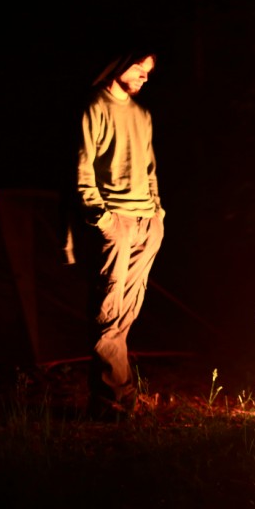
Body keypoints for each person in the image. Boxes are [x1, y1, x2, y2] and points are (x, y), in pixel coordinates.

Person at [76, 50, 165, 420]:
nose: (145, 76)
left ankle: (120, 395)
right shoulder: (94, 106)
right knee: (108, 311)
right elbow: (83, 168)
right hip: (116, 220)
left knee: (128, 310)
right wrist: (103, 219)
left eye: (148, 71)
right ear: (118, 64)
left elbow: (149, 167)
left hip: (147, 220)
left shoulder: (142, 114)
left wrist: (157, 210)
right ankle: (110, 399)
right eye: (139, 68)